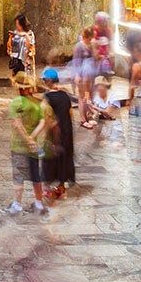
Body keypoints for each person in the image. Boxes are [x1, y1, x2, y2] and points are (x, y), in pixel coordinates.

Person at [5, 72, 52, 215]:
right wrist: (33, 138)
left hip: (19, 146)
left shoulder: (16, 102)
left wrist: (27, 139)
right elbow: (43, 123)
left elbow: (18, 125)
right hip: (34, 148)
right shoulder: (37, 104)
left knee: (18, 176)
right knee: (35, 175)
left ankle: (17, 205)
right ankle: (38, 203)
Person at [41, 68, 77, 198]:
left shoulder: (47, 97)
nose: (44, 82)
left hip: (54, 132)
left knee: (50, 159)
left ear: (49, 81)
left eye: (44, 80)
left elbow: (47, 118)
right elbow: (70, 113)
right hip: (67, 131)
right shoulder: (65, 95)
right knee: (65, 157)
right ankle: (61, 187)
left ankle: (47, 188)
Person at [71, 28, 98, 129]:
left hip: (89, 76)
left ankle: (88, 116)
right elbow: (76, 61)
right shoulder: (79, 46)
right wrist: (77, 75)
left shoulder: (91, 45)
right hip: (81, 75)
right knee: (82, 97)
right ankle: (83, 119)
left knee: (88, 96)